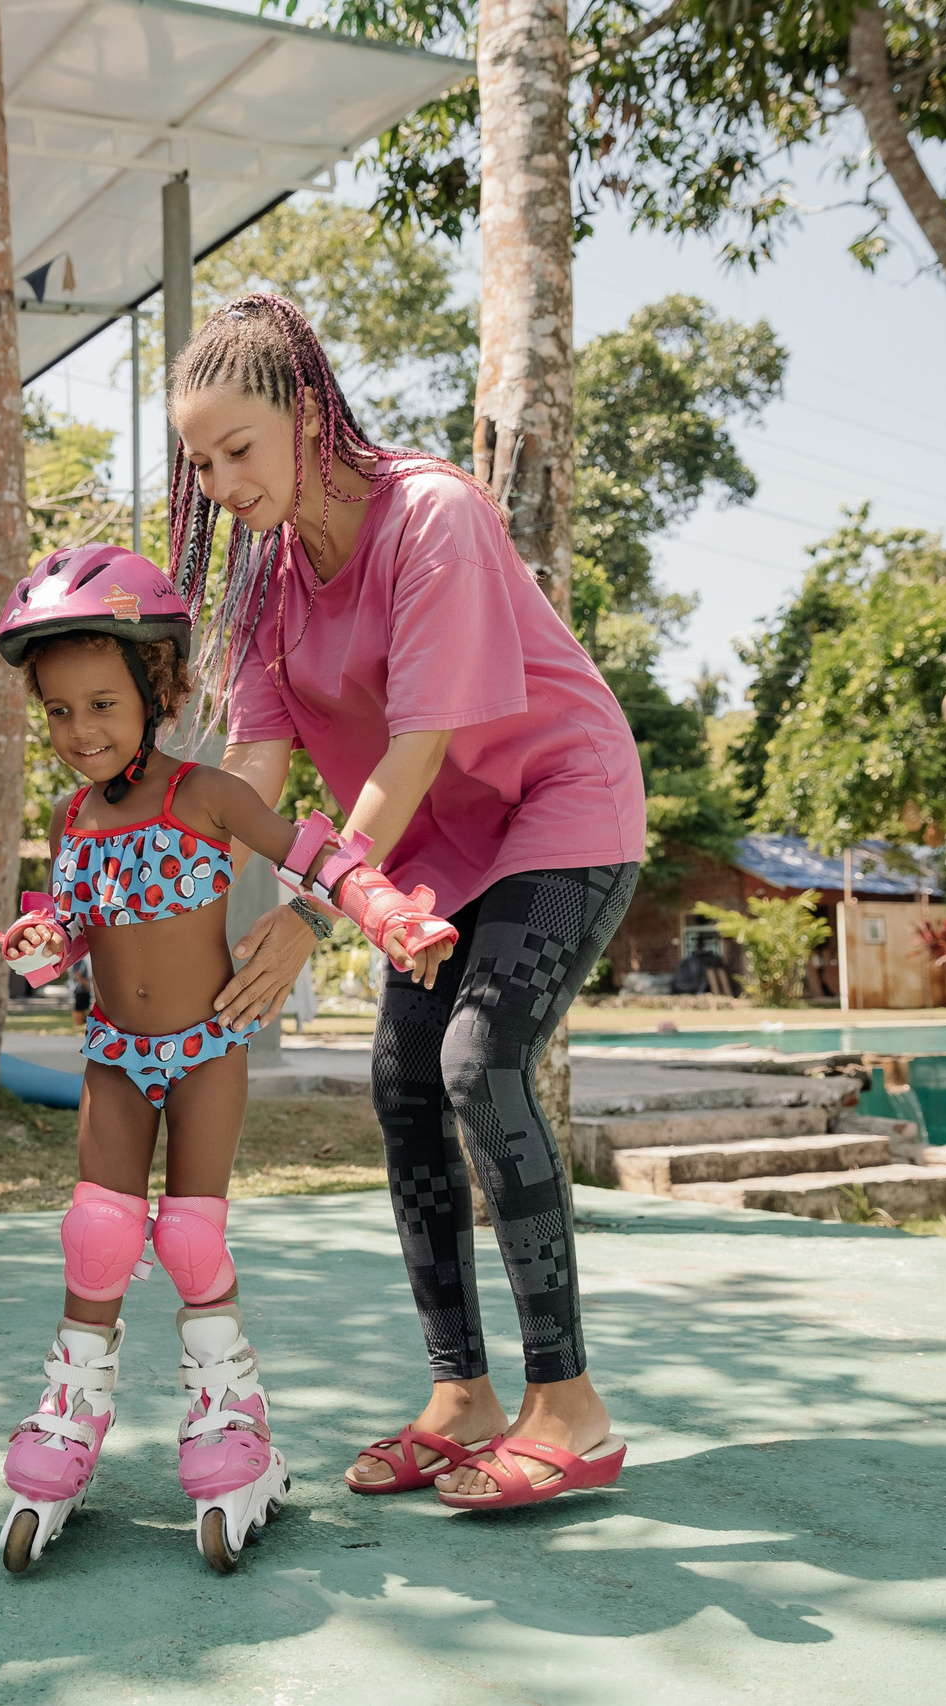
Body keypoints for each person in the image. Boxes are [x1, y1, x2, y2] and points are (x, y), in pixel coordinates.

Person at [167, 293, 647, 1512]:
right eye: (200, 464)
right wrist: (161, 878)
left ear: (306, 413)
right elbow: (255, 767)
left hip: (559, 804)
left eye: (238, 449)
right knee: (401, 1083)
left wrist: (307, 913)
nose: (220, 484)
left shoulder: (433, 514)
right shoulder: (268, 579)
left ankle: (569, 1405)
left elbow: (419, 743)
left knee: (480, 1060)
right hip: (429, 850)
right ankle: (461, 1393)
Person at [0, 545, 448, 1574]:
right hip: (114, 1051)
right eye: (58, 711)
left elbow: (318, 856)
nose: (79, 730)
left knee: (192, 1240)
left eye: (101, 704)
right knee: (97, 1234)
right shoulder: (71, 817)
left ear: (158, 689)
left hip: (202, 1050)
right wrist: (44, 941)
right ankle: (69, 1413)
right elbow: (76, 923)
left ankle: (231, 1420)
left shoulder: (209, 794)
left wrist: (382, 914)